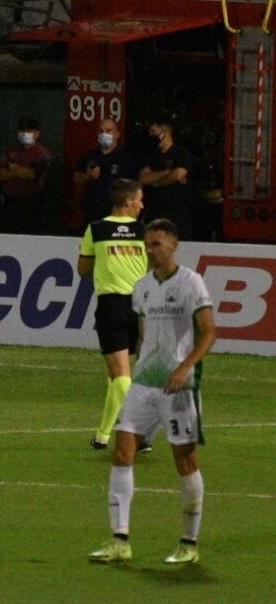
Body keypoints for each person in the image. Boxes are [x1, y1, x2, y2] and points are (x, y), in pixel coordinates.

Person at [89, 218, 216, 565]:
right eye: (147, 245)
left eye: (156, 244)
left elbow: (208, 332)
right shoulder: (142, 286)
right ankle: (119, 540)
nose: (150, 250)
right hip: (144, 384)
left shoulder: (192, 283)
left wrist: (185, 366)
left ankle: (189, 543)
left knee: (185, 460)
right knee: (122, 451)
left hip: (179, 387)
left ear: (173, 245)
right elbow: (144, 334)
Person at [77, 179, 149, 451]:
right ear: (129, 201)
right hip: (141, 309)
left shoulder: (96, 229)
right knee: (123, 375)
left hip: (111, 307)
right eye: (140, 199)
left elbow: (83, 270)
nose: (142, 204)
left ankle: (118, 432)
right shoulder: (145, 231)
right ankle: (118, 434)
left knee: (120, 375)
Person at [138, 116, 194, 240]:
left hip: (177, 216)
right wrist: (168, 172)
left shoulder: (182, 153)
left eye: (153, 132)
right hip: (155, 214)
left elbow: (179, 174)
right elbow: (143, 178)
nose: (150, 136)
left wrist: (156, 181)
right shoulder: (150, 155)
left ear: (165, 133)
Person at [0, 117, 51, 234]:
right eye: (21, 131)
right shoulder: (10, 151)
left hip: (32, 202)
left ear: (37, 133)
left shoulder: (42, 153)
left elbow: (32, 174)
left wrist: (12, 168)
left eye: (29, 131)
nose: (25, 134)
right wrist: (20, 172)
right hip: (10, 201)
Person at [73, 119, 136, 225]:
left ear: (116, 134)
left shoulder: (125, 159)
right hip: (92, 214)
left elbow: (133, 188)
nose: (104, 134)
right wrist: (88, 177)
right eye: (101, 131)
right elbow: (76, 178)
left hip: (116, 214)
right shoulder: (89, 156)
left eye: (108, 131)